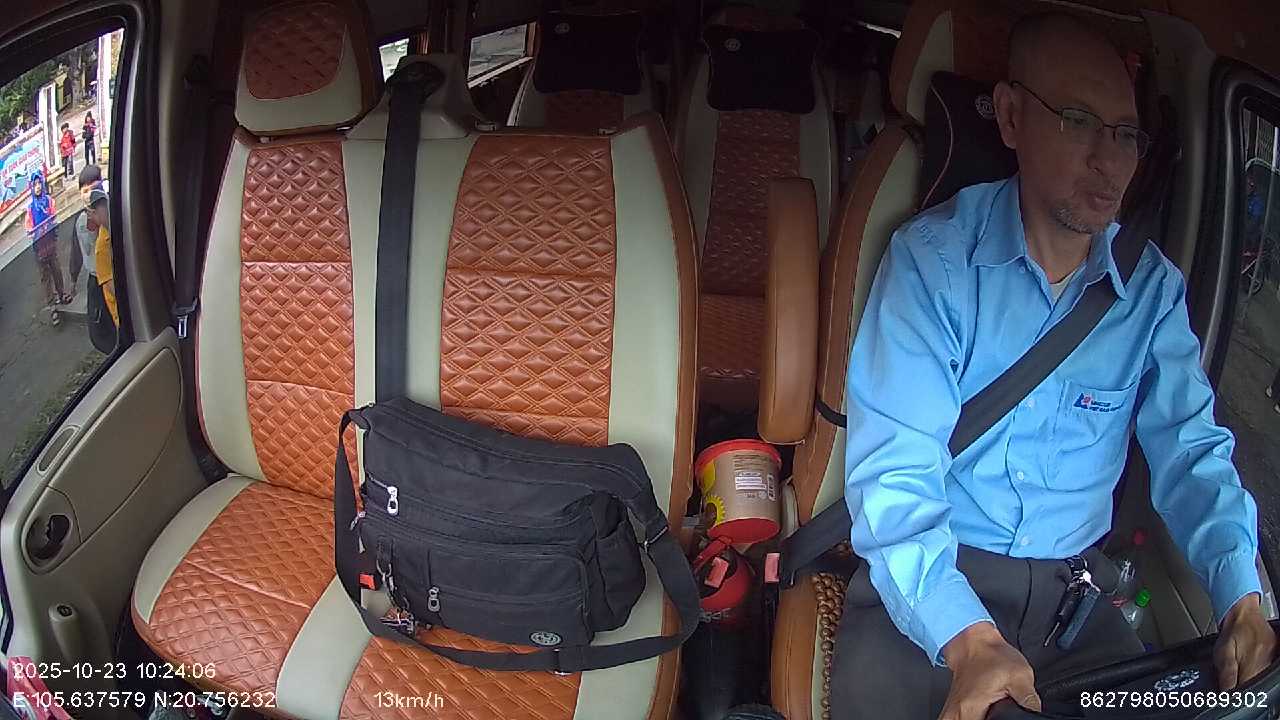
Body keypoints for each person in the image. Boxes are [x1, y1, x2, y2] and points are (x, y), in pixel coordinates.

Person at [831, 14, 1278, 720]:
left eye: (1126, 134)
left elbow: (1192, 450)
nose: (1109, 160)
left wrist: (1242, 599)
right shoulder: (935, 264)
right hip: (935, 591)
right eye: (1077, 121)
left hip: (1075, 605)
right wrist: (970, 640)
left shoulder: (1152, 292)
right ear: (1011, 117)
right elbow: (895, 475)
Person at [26, 171, 70, 307]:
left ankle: (62, 294)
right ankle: (52, 305)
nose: (38, 187)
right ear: (31, 187)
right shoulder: (30, 208)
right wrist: (36, 231)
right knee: (45, 276)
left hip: (50, 242)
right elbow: (29, 229)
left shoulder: (49, 201)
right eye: (35, 185)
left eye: (39, 183)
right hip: (40, 246)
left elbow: (54, 217)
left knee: (56, 270)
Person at [87, 188, 117, 327]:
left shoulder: (119, 229)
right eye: (102, 210)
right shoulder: (102, 248)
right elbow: (113, 289)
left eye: (106, 205)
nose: (107, 211)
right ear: (94, 214)